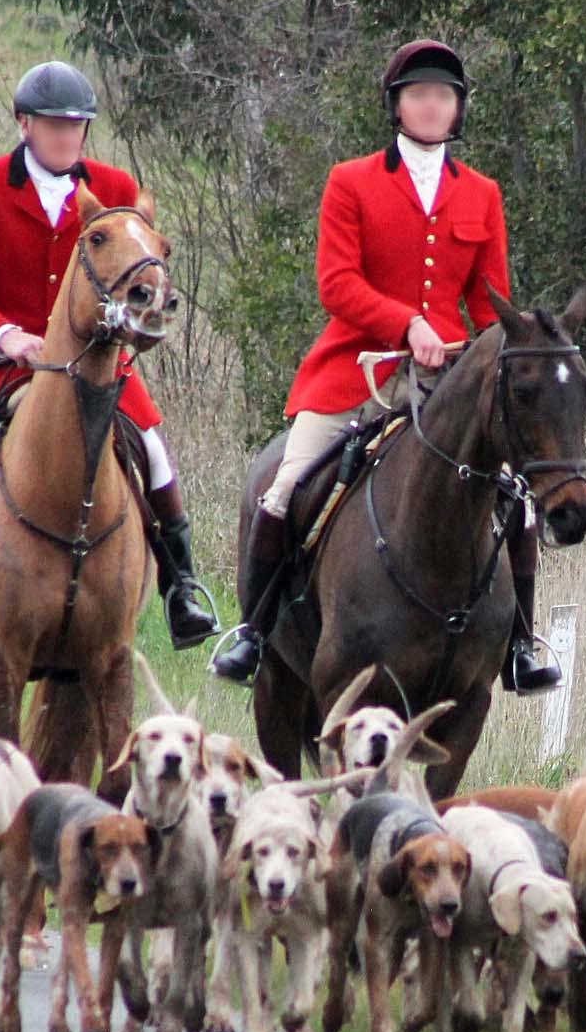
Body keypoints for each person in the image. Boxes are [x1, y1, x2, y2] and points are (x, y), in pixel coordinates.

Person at [208, 40, 559, 696]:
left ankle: (521, 645)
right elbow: (336, 284)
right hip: (354, 369)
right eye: (419, 94)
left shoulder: (482, 194)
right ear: (397, 106)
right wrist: (406, 324)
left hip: (447, 379)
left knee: (520, 507)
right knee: (283, 489)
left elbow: (492, 301)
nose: (431, 105)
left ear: (457, 110)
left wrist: (484, 353)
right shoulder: (352, 181)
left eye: (444, 96)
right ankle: (254, 635)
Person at [0, 60, 217, 676]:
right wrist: (4, 334)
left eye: (77, 126)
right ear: (24, 124)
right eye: (54, 125)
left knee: (153, 449)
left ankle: (182, 590)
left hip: (95, 367)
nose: (67, 137)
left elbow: (138, 276)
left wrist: (129, 322)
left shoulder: (115, 189)